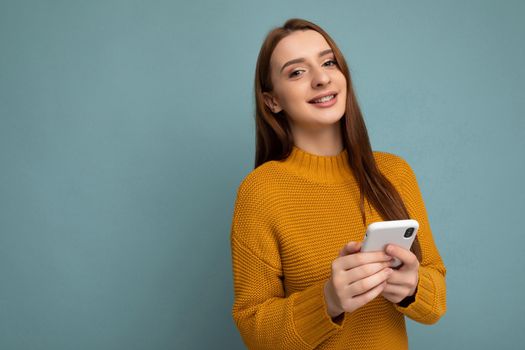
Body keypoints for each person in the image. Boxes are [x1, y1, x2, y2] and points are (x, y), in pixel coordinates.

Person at [229, 18, 446, 350]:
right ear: (272, 101)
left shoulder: (395, 173)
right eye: (296, 72)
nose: (321, 78)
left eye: (328, 62)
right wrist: (329, 299)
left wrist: (413, 286)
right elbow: (254, 331)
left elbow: (437, 302)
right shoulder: (261, 191)